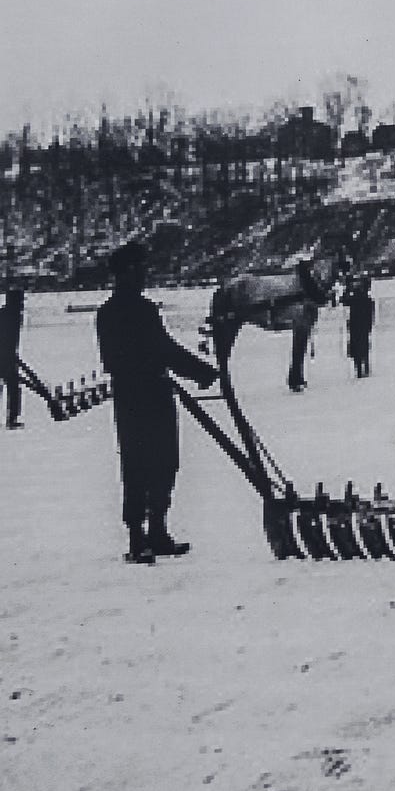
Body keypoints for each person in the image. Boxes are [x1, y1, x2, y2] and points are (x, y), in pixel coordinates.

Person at [96, 240, 220, 565]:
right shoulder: (113, 314)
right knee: (139, 466)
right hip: (138, 398)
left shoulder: (137, 310)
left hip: (148, 396)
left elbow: (163, 348)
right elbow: (148, 353)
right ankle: (138, 540)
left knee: (164, 464)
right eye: (137, 269)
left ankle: (158, 534)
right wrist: (198, 371)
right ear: (123, 273)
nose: (143, 275)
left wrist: (196, 370)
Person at [342, 272, 375, 378]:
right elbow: (371, 314)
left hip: (355, 323)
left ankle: (359, 365)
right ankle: (364, 364)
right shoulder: (367, 299)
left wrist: (346, 288)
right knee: (363, 344)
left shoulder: (354, 299)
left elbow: (344, 300)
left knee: (357, 344)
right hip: (361, 323)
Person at [0, 287, 23, 429]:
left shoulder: (8, 314)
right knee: (13, 388)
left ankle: (12, 419)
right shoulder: (11, 315)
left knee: (10, 388)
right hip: (6, 357)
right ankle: (12, 419)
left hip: (8, 356)